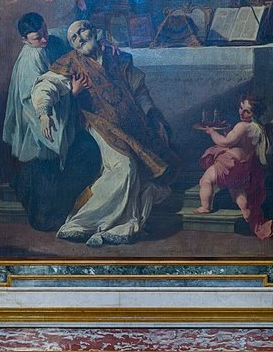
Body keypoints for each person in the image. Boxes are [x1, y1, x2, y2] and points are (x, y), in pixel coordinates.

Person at [32, 19, 177, 246]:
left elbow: (139, 91)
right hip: (100, 126)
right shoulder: (70, 63)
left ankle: (119, 224)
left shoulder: (117, 57)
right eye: (74, 38)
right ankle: (81, 224)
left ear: (94, 30)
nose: (80, 38)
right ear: (73, 45)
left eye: (83, 31)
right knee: (126, 167)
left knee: (143, 175)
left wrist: (152, 115)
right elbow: (46, 85)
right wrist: (43, 112)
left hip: (134, 127)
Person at [1, 13, 99, 231]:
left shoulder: (52, 42)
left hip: (63, 118)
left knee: (88, 153)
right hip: (38, 123)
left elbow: (75, 55)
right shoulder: (30, 60)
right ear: (25, 40)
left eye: (45, 32)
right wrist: (70, 93)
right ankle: (45, 213)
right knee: (45, 174)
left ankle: (72, 207)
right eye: (38, 38)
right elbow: (34, 97)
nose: (45, 39)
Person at [196, 94, 273, 240]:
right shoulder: (257, 128)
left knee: (205, 181)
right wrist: (229, 130)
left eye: (247, 111)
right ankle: (246, 210)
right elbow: (240, 142)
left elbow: (225, 142)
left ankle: (205, 207)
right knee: (236, 190)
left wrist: (212, 132)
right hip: (244, 167)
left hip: (229, 163)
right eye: (241, 108)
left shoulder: (242, 126)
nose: (241, 112)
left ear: (254, 113)